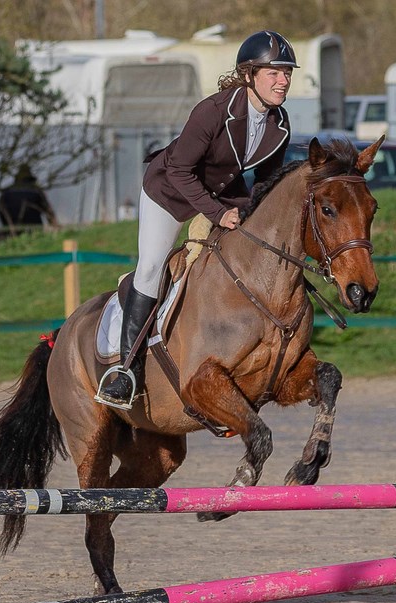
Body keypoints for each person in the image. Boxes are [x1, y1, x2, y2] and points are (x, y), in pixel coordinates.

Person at [96, 30, 298, 408]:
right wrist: (218, 213)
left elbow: (266, 183)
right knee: (152, 267)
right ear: (249, 74)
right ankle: (125, 370)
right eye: (273, 73)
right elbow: (179, 171)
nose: (283, 80)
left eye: (287, 72)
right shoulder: (213, 110)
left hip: (221, 193)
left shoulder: (280, 124)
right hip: (170, 192)